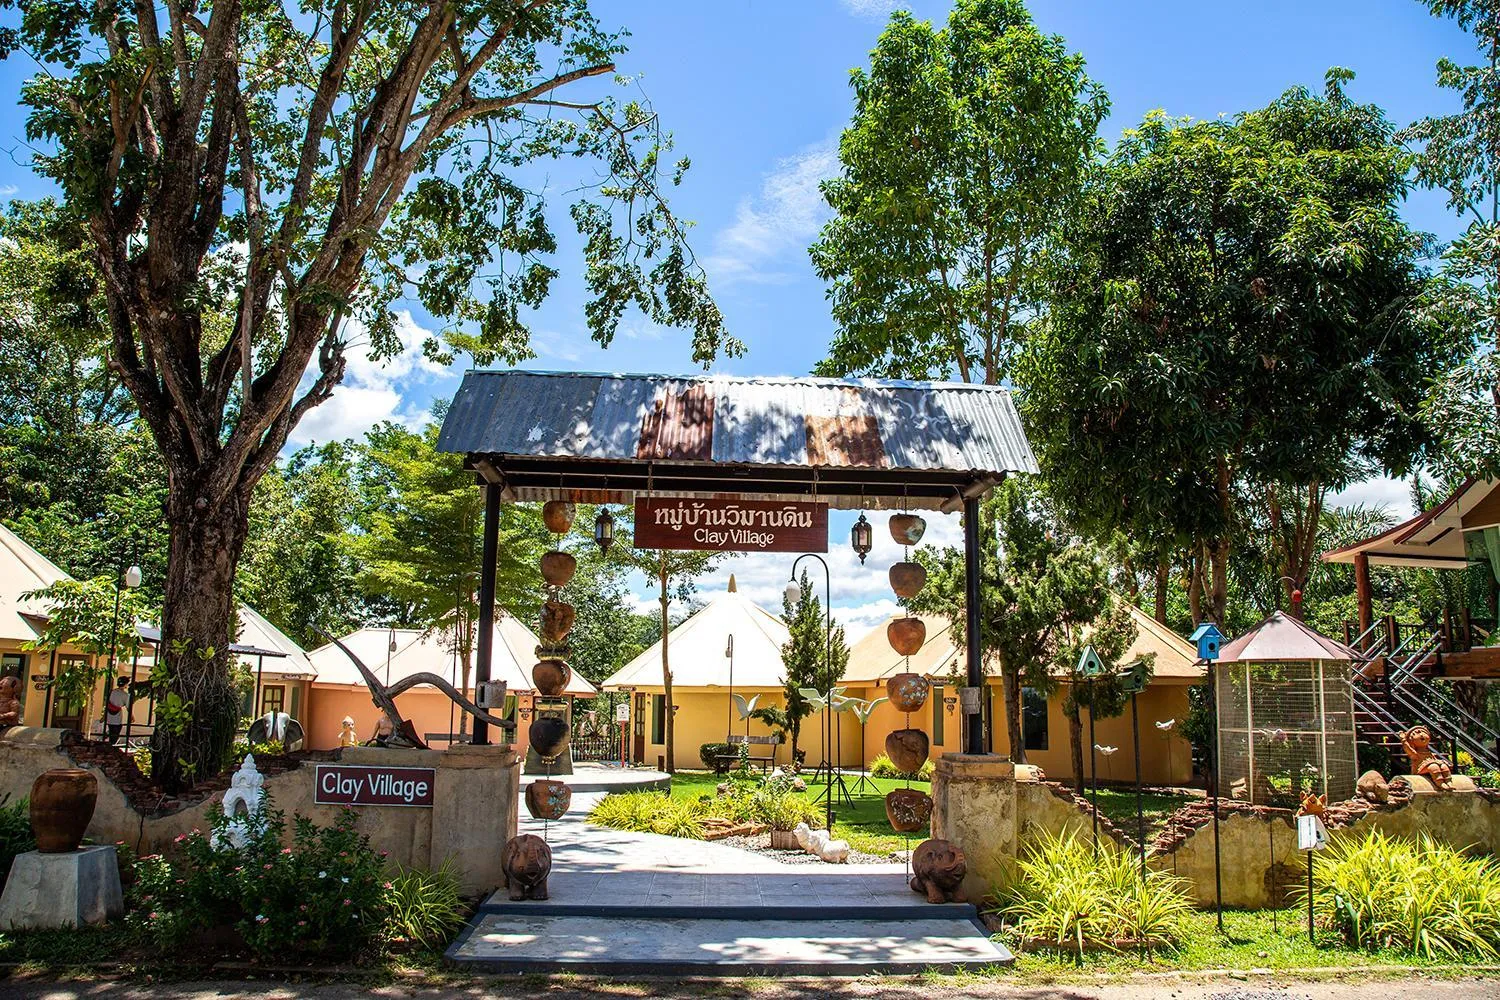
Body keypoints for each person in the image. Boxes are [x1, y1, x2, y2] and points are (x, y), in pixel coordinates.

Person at [105, 677, 131, 745]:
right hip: (117, 717)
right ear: (125, 684)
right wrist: (132, 716)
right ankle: (111, 747)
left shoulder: (112, 692)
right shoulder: (125, 695)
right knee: (115, 734)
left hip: (109, 715)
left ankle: (109, 744)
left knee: (111, 731)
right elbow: (128, 707)